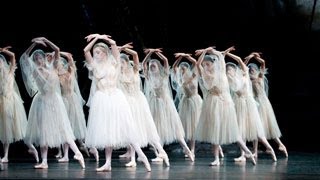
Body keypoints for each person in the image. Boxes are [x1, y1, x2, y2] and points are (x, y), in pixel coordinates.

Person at [83, 34, 151, 172]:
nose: (96, 55)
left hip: (115, 97)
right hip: (101, 99)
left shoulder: (114, 62)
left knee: (126, 129)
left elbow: (113, 45)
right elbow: (85, 51)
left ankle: (141, 155)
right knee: (107, 132)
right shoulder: (94, 65)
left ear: (104, 53)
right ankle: (107, 163)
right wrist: (96, 39)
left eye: (98, 52)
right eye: (95, 52)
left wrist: (103, 38)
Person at [20, 37, 85, 169]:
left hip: (55, 101)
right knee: (44, 131)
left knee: (63, 128)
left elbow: (57, 50)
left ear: (44, 59)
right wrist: (33, 44)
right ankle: (44, 161)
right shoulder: (35, 71)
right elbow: (23, 58)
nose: (38, 60)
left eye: (40, 58)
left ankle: (78, 153)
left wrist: (45, 40)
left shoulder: (53, 67)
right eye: (36, 59)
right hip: (42, 102)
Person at [195, 47, 256, 166]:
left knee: (233, 131)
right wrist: (203, 53)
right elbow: (197, 64)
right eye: (205, 64)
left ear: (213, 64)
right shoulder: (205, 75)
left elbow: (220, 57)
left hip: (224, 103)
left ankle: (247, 151)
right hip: (212, 104)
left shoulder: (221, 71)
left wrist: (209, 51)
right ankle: (216, 158)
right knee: (214, 131)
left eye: (208, 64)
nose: (206, 66)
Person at [117, 43, 170, 167]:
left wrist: (124, 49)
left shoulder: (135, 69)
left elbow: (135, 55)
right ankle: (134, 159)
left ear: (127, 62)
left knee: (147, 128)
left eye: (122, 63)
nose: (120, 65)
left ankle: (162, 152)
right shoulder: (119, 74)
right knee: (132, 131)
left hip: (138, 102)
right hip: (127, 103)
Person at [224, 47, 277, 162]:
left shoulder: (243, 74)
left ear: (234, 70)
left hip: (248, 104)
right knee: (241, 130)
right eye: (227, 70)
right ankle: (244, 155)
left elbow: (240, 61)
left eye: (230, 70)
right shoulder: (231, 81)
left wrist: (227, 53)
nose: (228, 72)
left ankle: (269, 149)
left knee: (256, 131)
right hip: (240, 104)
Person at [142, 48, 194, 162]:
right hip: (154, 105)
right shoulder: (149, 76)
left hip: (165, 105)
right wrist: (150, 54)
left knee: (175, 129)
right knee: (156, 129)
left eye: (154, 66)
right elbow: (143, 64)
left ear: (158, 67)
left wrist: (156, 52)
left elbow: (165, 61)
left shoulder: (164, 74)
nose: (151, 67)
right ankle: (160, 154)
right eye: (151, 66)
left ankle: (187, 149)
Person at [244, 52, 288, 157]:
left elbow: (263, 62)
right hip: (256, 104)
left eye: (253, 69)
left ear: (257, 70)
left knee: (265, 127)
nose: (252, 71)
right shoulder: (249, 80)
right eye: (250, 70)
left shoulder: (260, 76)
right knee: (256, 128)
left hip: (263, 104)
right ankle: (255, 151)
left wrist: (254, 57)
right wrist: (249, 57)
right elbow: (242, 67)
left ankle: (280, 144)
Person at [55, 52, 89, 162]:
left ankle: (84, 146)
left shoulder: (69, 72)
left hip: (71, 101)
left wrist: (58, 52)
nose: (59, 65)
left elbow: (70, 57)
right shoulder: (56, 76)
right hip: (63, 102)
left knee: (72, 127)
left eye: (60, 64)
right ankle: (64, 154)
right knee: (65, 128)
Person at [0, 46, 28, 163]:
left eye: (0, 62)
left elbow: (12, 56)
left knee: (7, 130)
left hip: (9, 102)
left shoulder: (10, 71)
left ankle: (5, 155)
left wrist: (3, 51)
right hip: (1, 101)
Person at [171, 53, 202, 156]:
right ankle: (188, 148)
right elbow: (174, 67)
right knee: (186, 126)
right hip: (186, 102)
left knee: (193, 126)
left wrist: (187, 56)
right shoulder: (180, 79)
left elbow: (196, 63)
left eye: (184, 69)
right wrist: (180, 57)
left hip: (195, 102)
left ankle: (192, 149)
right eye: (181, 69)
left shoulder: (194, 75)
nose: (182, 70)